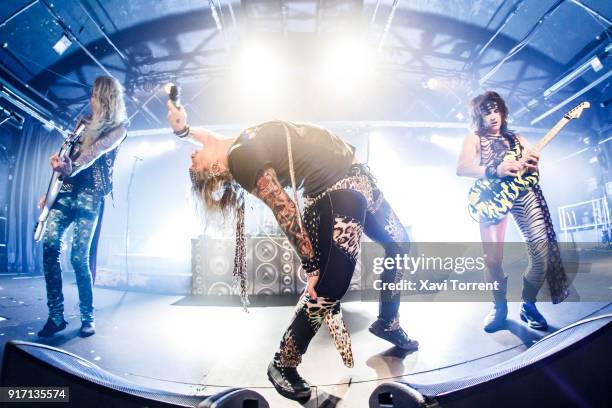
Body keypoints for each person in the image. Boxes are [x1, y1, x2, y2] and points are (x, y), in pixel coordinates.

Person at [166, 102, 418, 400]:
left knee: (401, 245)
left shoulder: (230, 145)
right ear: (217, 170)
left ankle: (388, 321)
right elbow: (282, 207)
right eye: (195, 166)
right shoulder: (240, 159)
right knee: (330, 285)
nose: (191, 158)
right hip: (334, 189)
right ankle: (283, 364)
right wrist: (311, 265)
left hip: (357, 177)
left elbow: (205, 138)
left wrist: (183, 129)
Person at [456, 90, 569, 333]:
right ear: (479, 116)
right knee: (493, 259)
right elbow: (462, 167)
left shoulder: (517, 138)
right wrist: (495, 169)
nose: (493, 116)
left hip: (523, 193)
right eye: (487, 112)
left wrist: (533, 163)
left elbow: (532, 164)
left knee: (541, 255)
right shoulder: (474, 138)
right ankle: (499, 307)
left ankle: (528, 304)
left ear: (503, 112)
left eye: (496, 110)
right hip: (493, 197)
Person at [37, 76, 128, 338]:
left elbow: (93, 154)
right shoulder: (82, 124)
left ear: (105, 98)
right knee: (50, 245)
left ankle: (88, 316)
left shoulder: (119, 129)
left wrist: (70, 167)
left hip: (91, 193)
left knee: (79, 257)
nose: (90, 98)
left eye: (94, 94)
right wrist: (49, 192)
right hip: (65, 191)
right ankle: (56, 316)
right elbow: (67, 156)